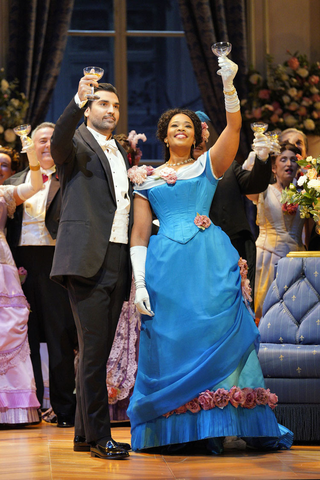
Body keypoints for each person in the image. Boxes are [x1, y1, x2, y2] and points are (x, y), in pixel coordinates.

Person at [127, 55, 293, 454]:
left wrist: (229, 86)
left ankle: (221, 424)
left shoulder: (208, 165)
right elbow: (137, 234)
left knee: (216, 337)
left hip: (208, 262)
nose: (180, 129)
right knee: (171, 341)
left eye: (187, 125)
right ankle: (175, 432)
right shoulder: (147, 179)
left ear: (196, 134)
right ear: (164, 137)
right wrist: (140, 284)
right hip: (166, 267)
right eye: (173, 126)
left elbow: (234, 127)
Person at [50, 77, 133, 460]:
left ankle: (85, 433)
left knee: (95, 350)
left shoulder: (118, 149)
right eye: (102, 104)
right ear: (88, 108)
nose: (110, 111)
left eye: (115, 106)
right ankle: (101, 437)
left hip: (117, 255)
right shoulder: (77, 142)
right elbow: (57, 142)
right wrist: (76, 98)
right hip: (86, 258)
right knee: (95, 351)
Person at [4, 123, 77, 428]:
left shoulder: (72, 179)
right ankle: (31, 406)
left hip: (57, 263)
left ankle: (64, 409)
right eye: (40, 141)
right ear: (30, 146)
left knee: (60, 337)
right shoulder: (18, 182)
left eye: (51, 141)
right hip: (21, 266)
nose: (46, 146)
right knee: (25, 338)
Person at [194, 112, 272, 307]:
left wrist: (262, 158)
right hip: (193, 252)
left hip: (232, 249)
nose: (198, 141)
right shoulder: (174, 174)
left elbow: (254, 184)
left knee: (235, 306)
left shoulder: (228, 168)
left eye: (202, 134)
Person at [0, 138, 42, 424]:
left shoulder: (4, 193)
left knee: (7, 331)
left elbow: (35, 187)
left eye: (3, 164)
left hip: (1, 268)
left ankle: (11, 408)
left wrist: (32, 157)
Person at [248, 143, 306, 319]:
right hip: (267, 258)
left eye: (293, 160)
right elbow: (246, 176)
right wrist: (258, 151)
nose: (289, 164)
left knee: (293, 314)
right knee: (264, 312)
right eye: (283, 160)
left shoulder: (305, 196)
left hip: (297, 260)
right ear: (273, 167)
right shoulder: (261, 191)